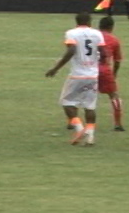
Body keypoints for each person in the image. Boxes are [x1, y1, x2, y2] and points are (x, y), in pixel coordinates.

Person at [45, 12, 106, 146]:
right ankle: (90, 137)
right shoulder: (97, 34)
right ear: (90, 21)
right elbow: (104, 53)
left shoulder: (72, 33)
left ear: (77, 22)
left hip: (77, 74)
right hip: (93, 75)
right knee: (90, 105)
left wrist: (56, 68)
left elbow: (71, 50)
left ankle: (79, 128)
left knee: (66, 102)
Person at [98, 17, 124, 131]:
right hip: (105, 69)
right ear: (111, 27)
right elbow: (117, 61)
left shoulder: (92, 36)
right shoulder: (114, 40)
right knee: (114, 95)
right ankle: (118, 123)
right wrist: (114, 74)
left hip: (89, 69)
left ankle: (73, 121)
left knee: (81, 95)